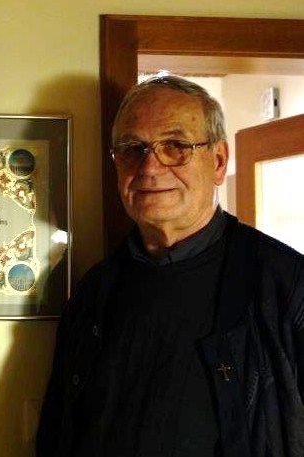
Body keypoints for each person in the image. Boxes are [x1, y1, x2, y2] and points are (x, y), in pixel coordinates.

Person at [36, 75, 304, 457]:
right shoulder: (95, 291)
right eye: (133, 148)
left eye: (175, 146)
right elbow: (58, 429)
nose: (150, 167)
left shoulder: (286, 284)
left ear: (218, 162)